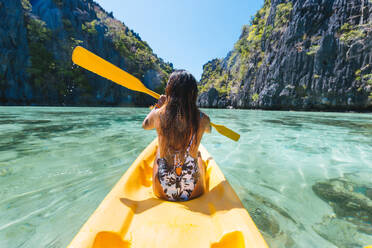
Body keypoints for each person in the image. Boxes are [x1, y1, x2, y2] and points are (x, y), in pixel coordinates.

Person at [142, 70, 211, 201]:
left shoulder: (158, 114)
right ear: (193, 94)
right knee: (198, 155)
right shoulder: (203, 118)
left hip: (162, 189)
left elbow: (145, 125)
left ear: (169, 91)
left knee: (158, 152)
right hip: (195, 190)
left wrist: (158, 106)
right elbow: (209, 130)